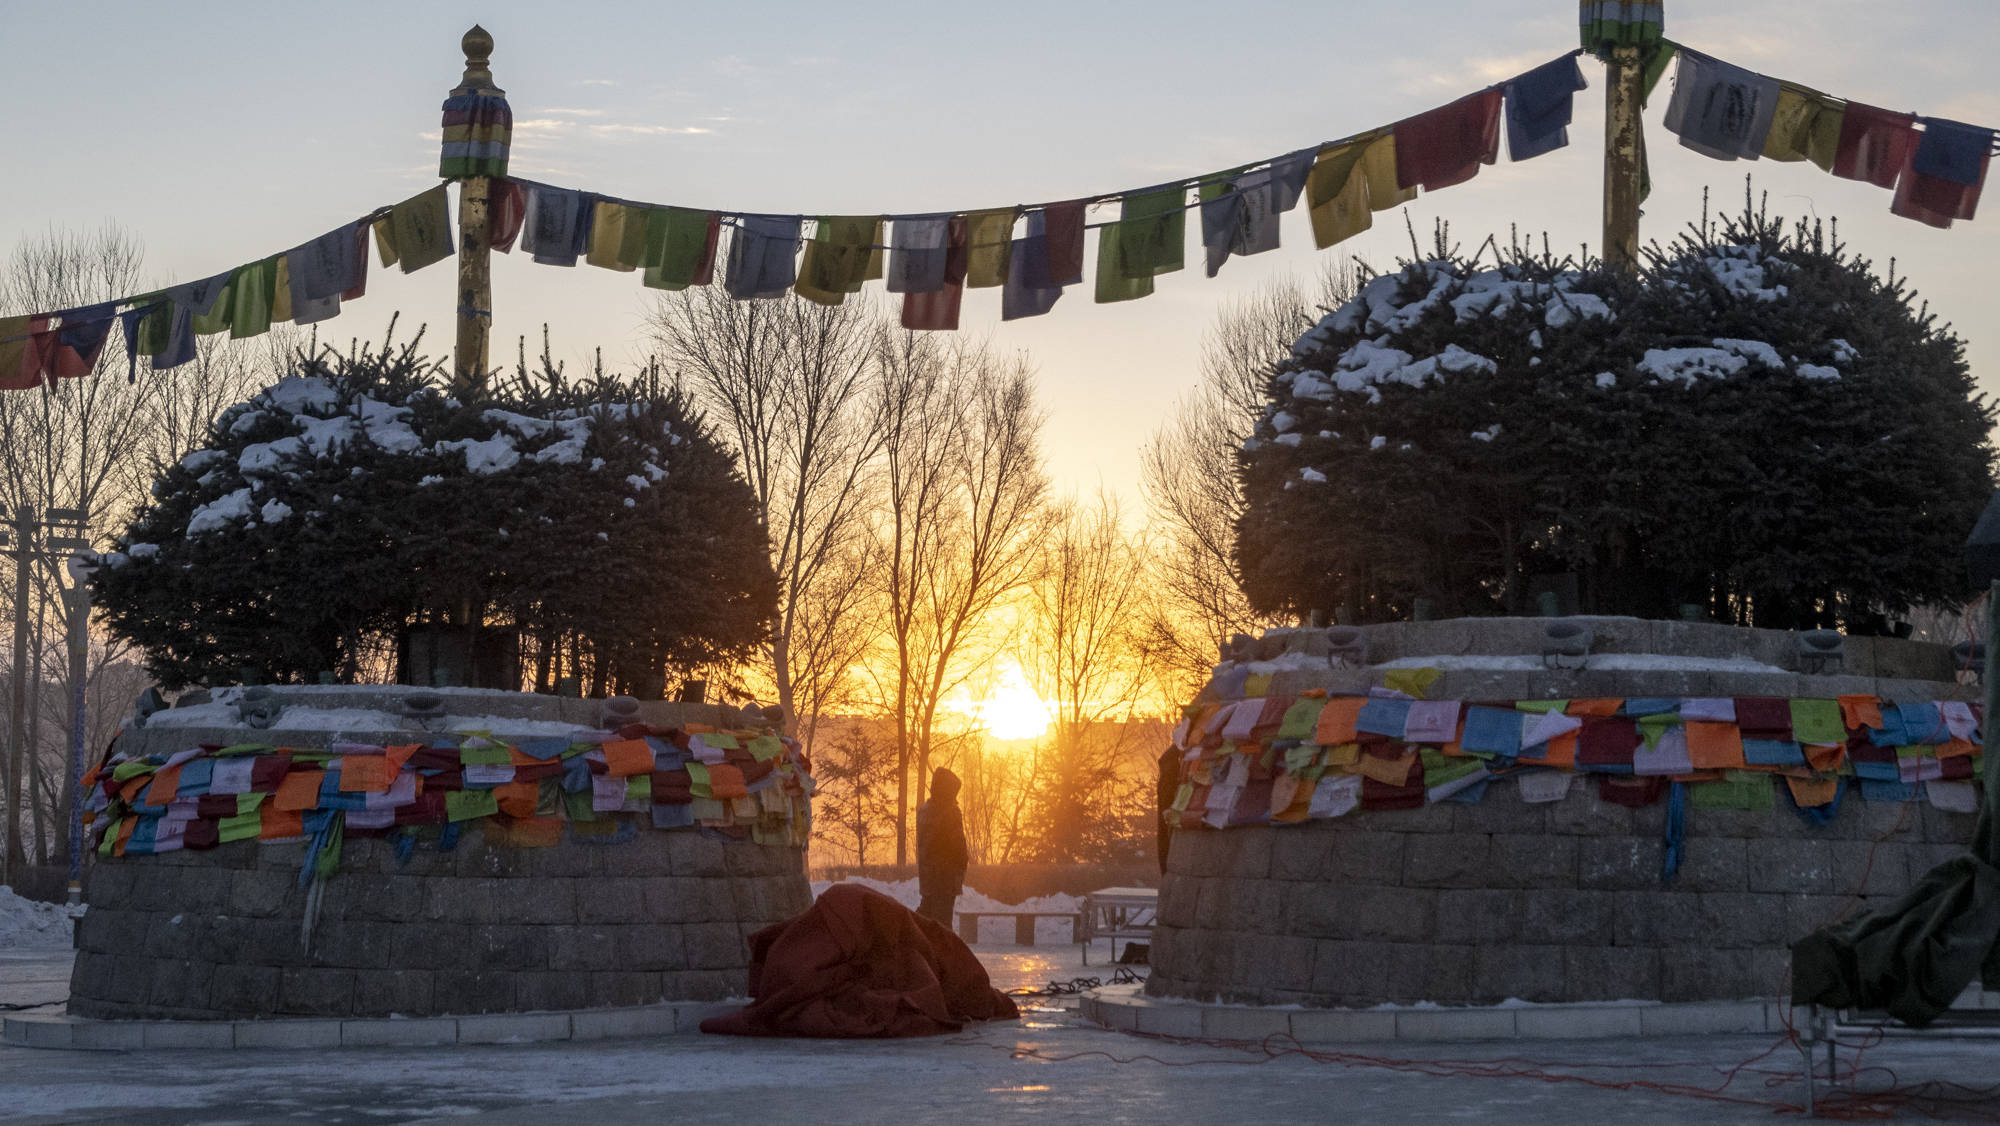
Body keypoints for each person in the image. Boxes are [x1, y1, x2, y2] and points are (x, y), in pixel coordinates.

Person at [915, 767, 968, 929]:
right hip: (946, 879)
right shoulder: (949, 812)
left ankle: (916, 947)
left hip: (928, 878)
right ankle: (942, 953)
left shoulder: (924, 811)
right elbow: (958, 846)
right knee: (943, 926)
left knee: (925, 919)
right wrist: (961, 864)